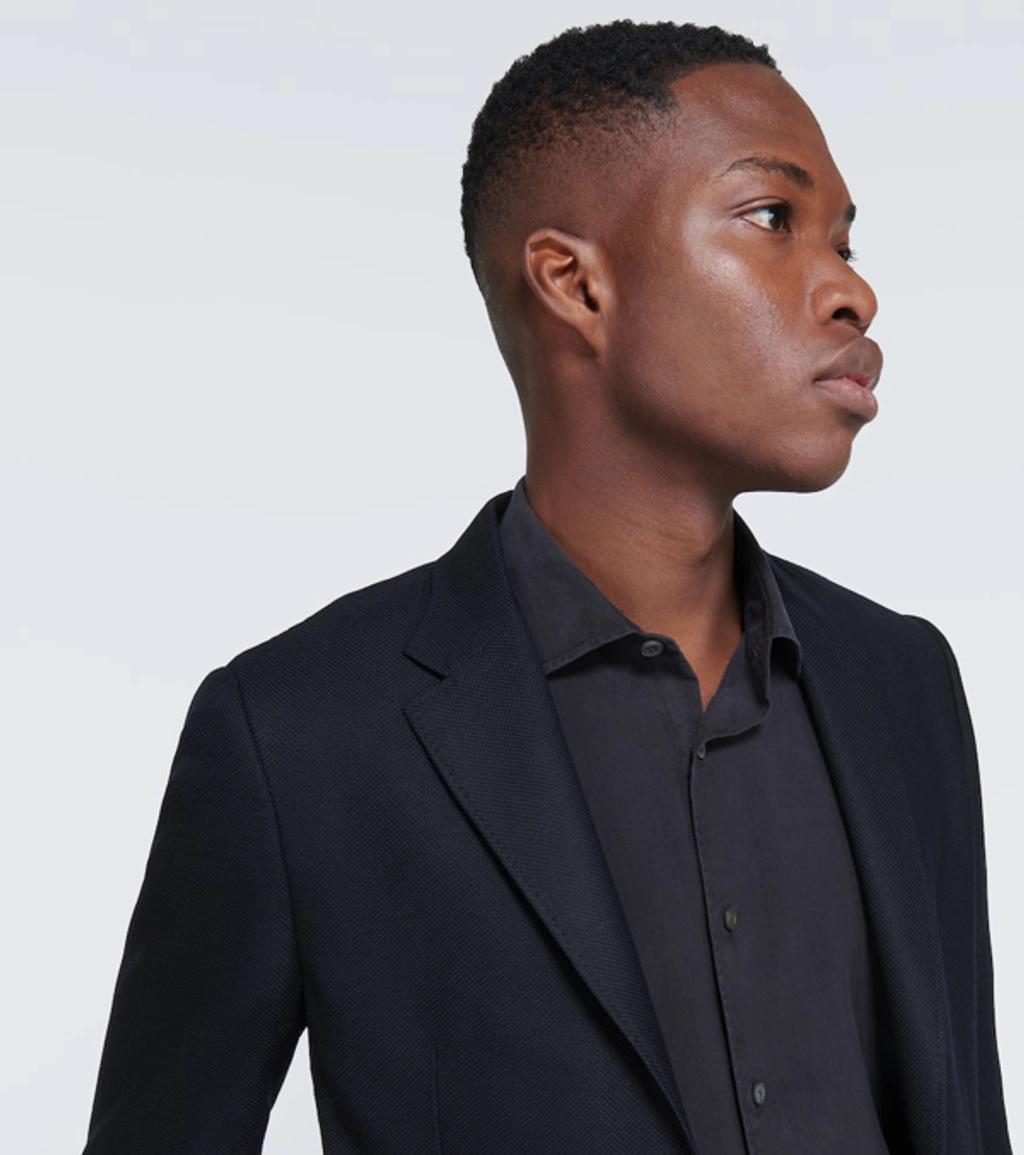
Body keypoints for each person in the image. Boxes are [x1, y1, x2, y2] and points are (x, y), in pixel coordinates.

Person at [81, 19, 1012, 1155]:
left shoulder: (902, 683)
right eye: (772, 217)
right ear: (576, 285)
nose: (851, 292)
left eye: (847, 241)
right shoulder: (299, 733)